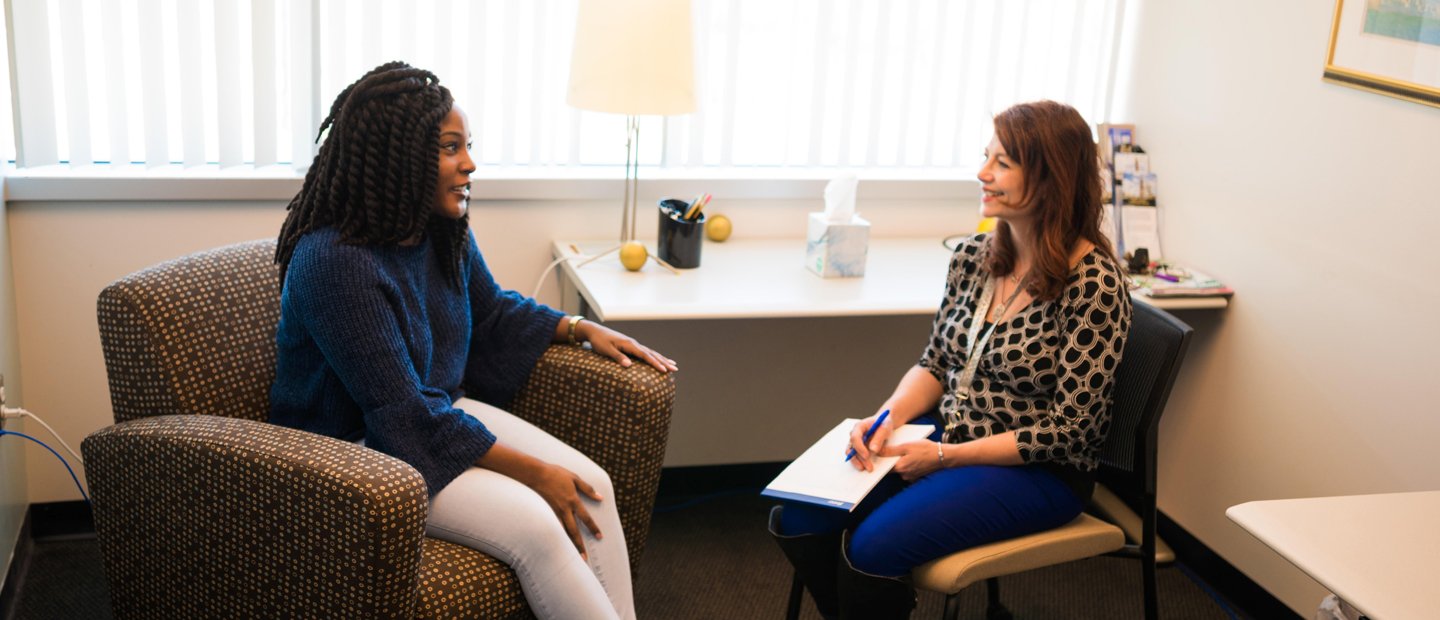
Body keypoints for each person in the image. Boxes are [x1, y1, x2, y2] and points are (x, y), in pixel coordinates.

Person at [269, 62, 676, 620]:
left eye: (468, 145)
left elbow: (490, 312)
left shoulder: (439, 228)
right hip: (356, 452)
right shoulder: (334, 262)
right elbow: (400, 415)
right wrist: (535, 473)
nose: (470, 163)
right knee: (538, 523)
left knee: (590, 489)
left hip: (428, 415)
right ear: (399, 157)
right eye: (450, 148)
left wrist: (581, 329)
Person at [769, 100, 1132, 619]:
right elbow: (936, 362)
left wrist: (944, 458)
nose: (982, 173)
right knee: (803, 513)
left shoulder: (1093, 285)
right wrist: (888, 417)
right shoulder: (974, 257)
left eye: (1003, 163)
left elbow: (1069, 429)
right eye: (987, 157)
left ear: (1054, 177)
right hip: (949, 435)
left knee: (871, 548)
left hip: (1039, 471)